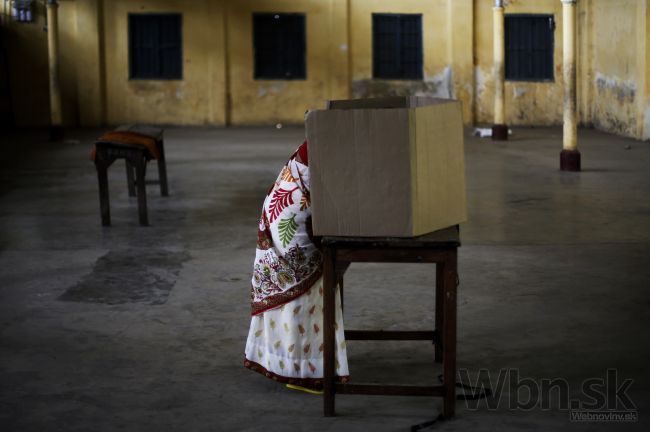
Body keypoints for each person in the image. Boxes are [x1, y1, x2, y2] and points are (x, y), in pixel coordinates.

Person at [244, 140, 349, 391]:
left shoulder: (331, 135)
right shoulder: (341, 141)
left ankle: (286, 362)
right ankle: (303, 371)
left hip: (287, 212)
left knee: (303, 293)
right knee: (309, 293)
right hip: (293, 221)